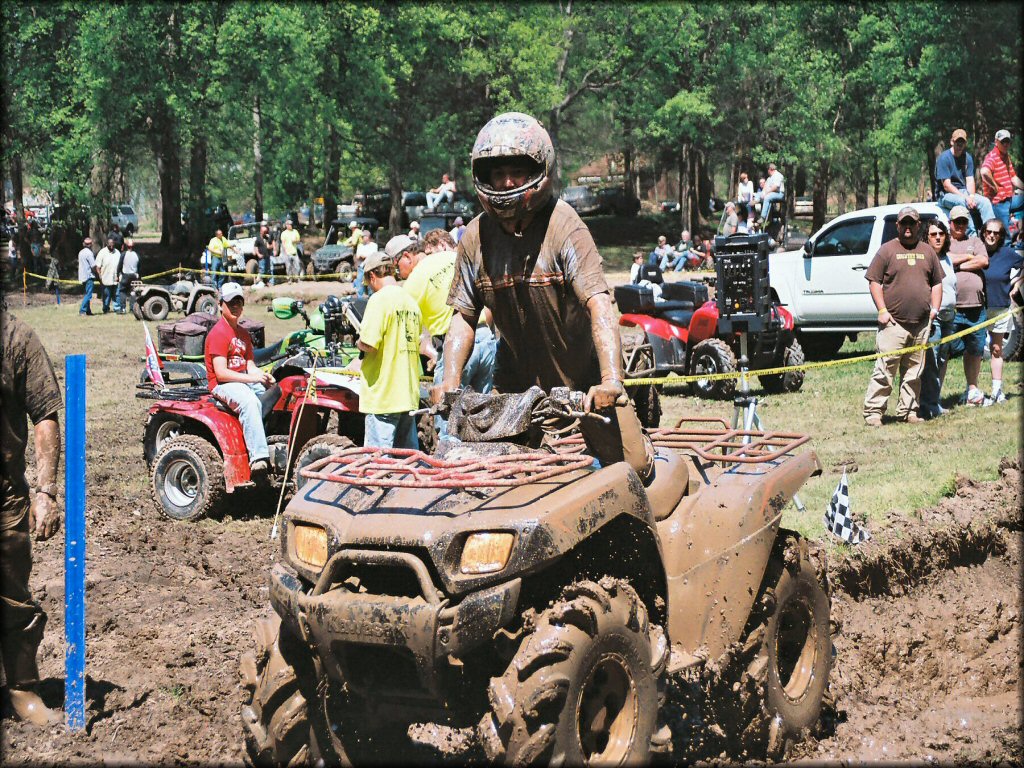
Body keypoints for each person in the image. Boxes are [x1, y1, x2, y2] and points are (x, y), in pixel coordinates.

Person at [434, 111, 628, 416]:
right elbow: (464, 316)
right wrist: (450, 382)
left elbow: (599, 303)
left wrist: (611, 380)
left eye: (517, 172)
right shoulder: (475, 236)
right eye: (498, 174)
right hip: (514, 391)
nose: (507, 182)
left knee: (610, 462)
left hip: (582, 388)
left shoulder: (565, 226)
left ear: (540, 169)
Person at [1, 308, 63, 725]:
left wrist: (45, 491)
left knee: (11, 594)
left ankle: (22, 688)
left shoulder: (16, 338)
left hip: (3, 499)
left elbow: (44, 414)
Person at [399, 228, 496, 438]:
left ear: (407, 257)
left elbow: (403, 323)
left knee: (450, 420)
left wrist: (433, 353)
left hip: (456, 346)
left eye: (397, 267)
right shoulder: (458, 257)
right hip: (485, 339)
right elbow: (490, 302)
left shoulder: (418, 276)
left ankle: (452, 466)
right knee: (480, 418)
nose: (398, 274)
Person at [862, 206, 943, 427]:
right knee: (885, 369)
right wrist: (882, 311)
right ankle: (874, 412)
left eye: (912, 223)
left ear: (918, 226)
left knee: (914, 372)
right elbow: (874, 282)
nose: (908, 227)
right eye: (904, 223)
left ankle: (908, 411)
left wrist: (934, 309)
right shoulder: (887, 250)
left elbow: (937, 283)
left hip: (921, 324)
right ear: (898, 226)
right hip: (893, 324)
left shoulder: (927, 252)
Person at [356, 246, 423, 449]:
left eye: (368, 282)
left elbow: (369, 344)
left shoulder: (379, 300)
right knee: (407, 463)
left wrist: (358, 343)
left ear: (372, 275)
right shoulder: (411, 301)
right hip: (408, 394)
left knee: (379, 464)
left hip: (383, 396)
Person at [204, 282, 274, 474]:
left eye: (239, 302)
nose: (235, 307)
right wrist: (251, 380)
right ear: (220, 305)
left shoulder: (243, 334)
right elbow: (221, 373)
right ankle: (258, 458)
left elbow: (249, 365)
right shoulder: (218, 334)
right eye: (230, 302)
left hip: (242, 379)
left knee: (277, 395)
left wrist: (262, 376)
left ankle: (272, 438)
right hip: (223, 384)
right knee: (250, 402)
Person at [947, 205, 990, 406]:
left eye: (964, 221)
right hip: (952, 309)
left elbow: (983, 261)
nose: (961, 225)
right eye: (957, 222)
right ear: (950, 223)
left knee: (975, 350)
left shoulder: (975, 241)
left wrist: (958, 265)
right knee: (944, 351)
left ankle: (972, 389)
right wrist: (967, 257)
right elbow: (945, 259)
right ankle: (934, 395)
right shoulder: (943, 240)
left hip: (976, 308)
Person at [917, 220, 958, 420]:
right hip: (934, 319)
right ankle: (927, 405)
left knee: (942, 360)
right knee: (931, 361)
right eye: (933, 234)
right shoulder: (925, 258)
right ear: (926, 237)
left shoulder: (947, 259)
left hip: (949, 317)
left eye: (942, 233)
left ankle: (934, 400)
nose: (938, 237)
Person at [981, 218, 1022, 404]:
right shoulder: (977, 251)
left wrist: (1016, 285)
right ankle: (971, 391)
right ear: (983, 233)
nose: (991, 235)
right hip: (978, 309)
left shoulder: (1007, 253)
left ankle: (997, 391)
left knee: (996, 349)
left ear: (1001, 236)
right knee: (973, 351)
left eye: (996, 233)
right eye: (989, 232)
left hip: (1000, 309)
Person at [935, 128, 995, 235]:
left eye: (962, 141)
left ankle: (990, 232)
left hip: (963, 193)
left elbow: (970, 180)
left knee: (985, 202)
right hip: (945, 195)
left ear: (965, 143)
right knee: (962, 203)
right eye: (957, 141)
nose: (959, 144)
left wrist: (971, 196)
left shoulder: (967, 158)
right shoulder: (944, 158)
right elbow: (947, 186)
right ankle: (972, 236)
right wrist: (966, 198)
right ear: (952, 142)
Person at [980, 129, 1024, 237]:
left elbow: (1013, 177)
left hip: (1009, 199)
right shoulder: (993, 156)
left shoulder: (1006, 156)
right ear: (996, 142)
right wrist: (994, 186)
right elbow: (984, 172)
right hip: (999, 202)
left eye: (1007, 142)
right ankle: (1006, 251)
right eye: (1002, 141)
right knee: (1005, 235)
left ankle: (1020, 231)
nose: (1005, 144)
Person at [94, 236, 120, 314]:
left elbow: (120, 265)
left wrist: (119, 275)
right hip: (105, 278)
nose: (111, 245)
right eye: (110, 244)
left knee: (116, 294)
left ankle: (117, 308)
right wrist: (99, 276)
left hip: (115, 278)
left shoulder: (117, 253)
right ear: (106, 244)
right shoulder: (102, 252)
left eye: (113, 244)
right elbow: (97, 266)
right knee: (106, 295)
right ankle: (106, 308)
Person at [114, 237, 140, 314]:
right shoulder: (137, 255)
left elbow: (119, 266)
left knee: (122, 291)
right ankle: (132, 309)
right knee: (133, 292)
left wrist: (117, 275)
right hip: (134, 276)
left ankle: (123, 308)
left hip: (125, 275)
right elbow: (139, 267)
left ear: (127, 246)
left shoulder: (123, 254)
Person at [353, 228, 378, 299]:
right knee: (359, 283)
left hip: (370, 267)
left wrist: (364, 256)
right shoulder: (360, 246)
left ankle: (371, 298)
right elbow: (358, 256)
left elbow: (373, 256)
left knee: (370, 283)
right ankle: (359, 298)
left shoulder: (374, 245)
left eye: (363, 237)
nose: (361, 238)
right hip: (361, 267)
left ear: (368, 237)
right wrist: (365, 256)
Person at [77, 236, 97, 315]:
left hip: (82, 276)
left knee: (87, 294)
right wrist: (97, 274)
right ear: (91, 244)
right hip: (89, 276)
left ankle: (88, 311)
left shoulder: (81, 252)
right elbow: (93, 266)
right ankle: (82, 310)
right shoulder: (89, 253)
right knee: (89, 295)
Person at [252, 223, 273, 288]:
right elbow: (255, 247)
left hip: (267, 256)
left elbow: (272, 244)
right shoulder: (258, 239)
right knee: (262, 270)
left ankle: (268, 282)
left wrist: (271, 247)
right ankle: (260, 282)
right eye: (264, 231)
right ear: (261, 231)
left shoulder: (267, 238)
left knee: (268, 270)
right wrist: (258, 254)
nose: (265, 233)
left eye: (266, 231)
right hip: (261, 257)